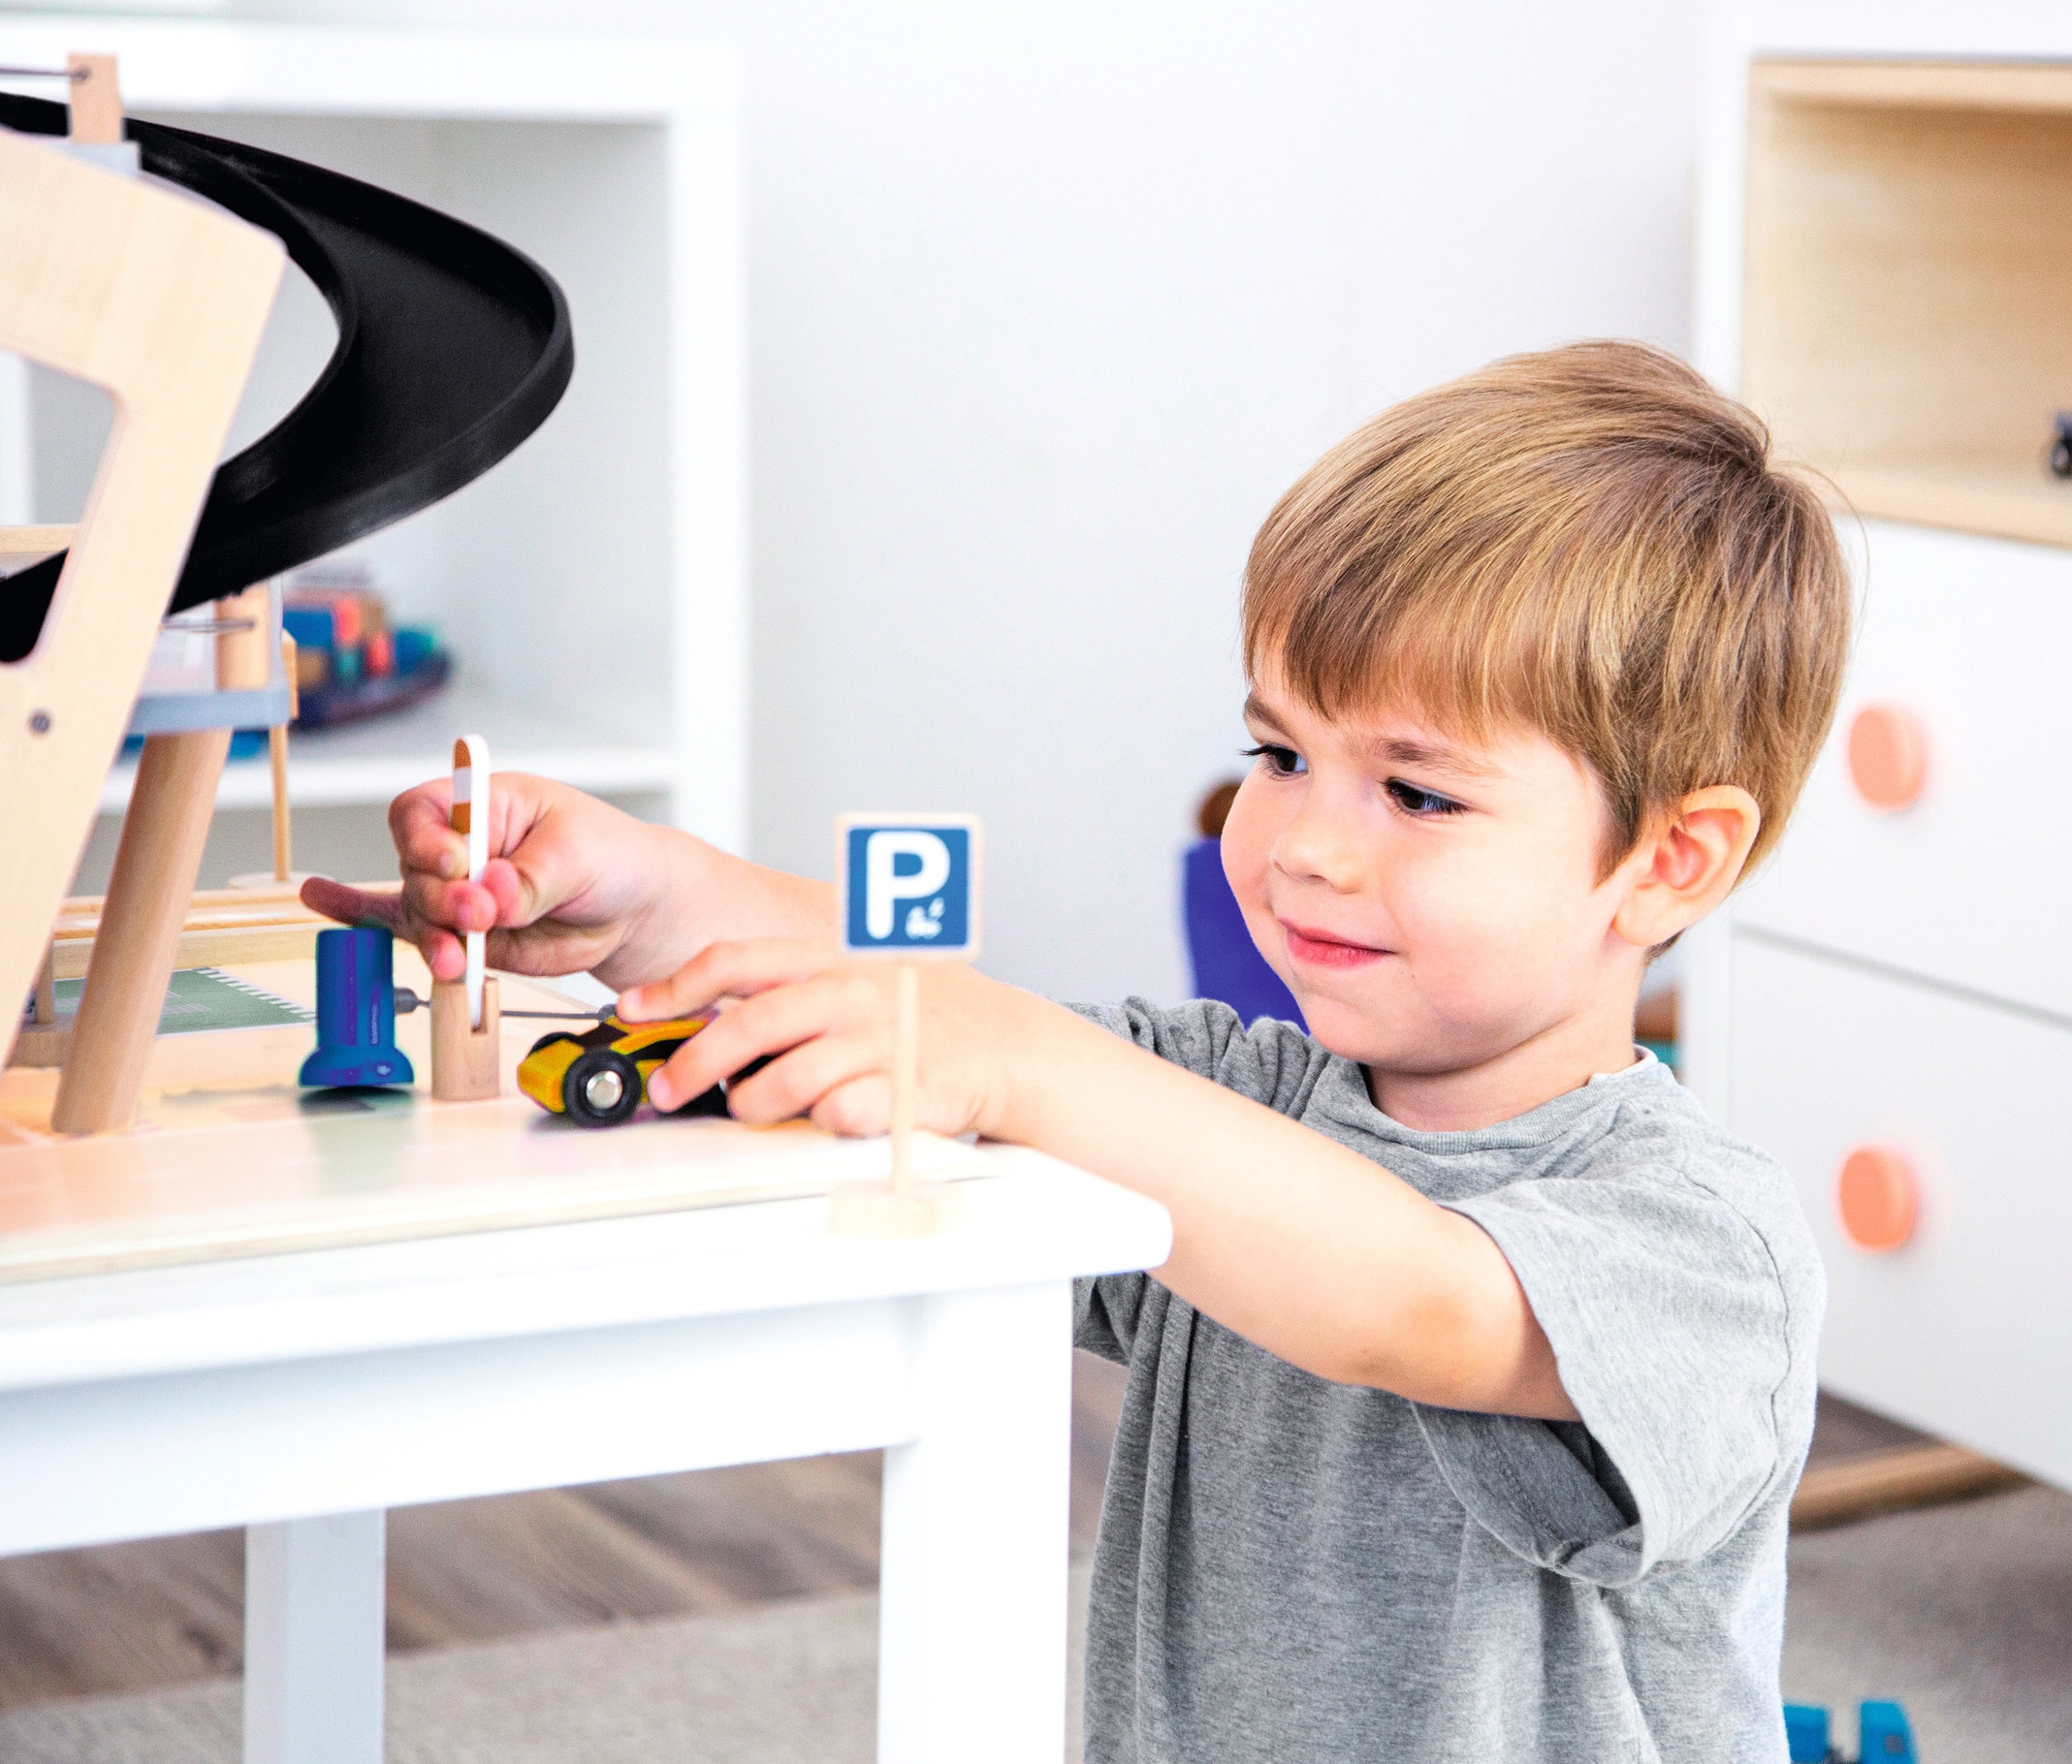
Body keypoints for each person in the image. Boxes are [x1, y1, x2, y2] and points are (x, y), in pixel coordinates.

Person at [309, 341, 1851, 1762]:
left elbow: (1411, 1301)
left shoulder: (1704, 1244)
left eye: (1417, 795)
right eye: (1279, 754)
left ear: (1667, 860)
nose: (1303, 844)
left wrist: (1016, 1060)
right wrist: (644, 898)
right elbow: (944, 1013)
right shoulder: (1230, 1099)